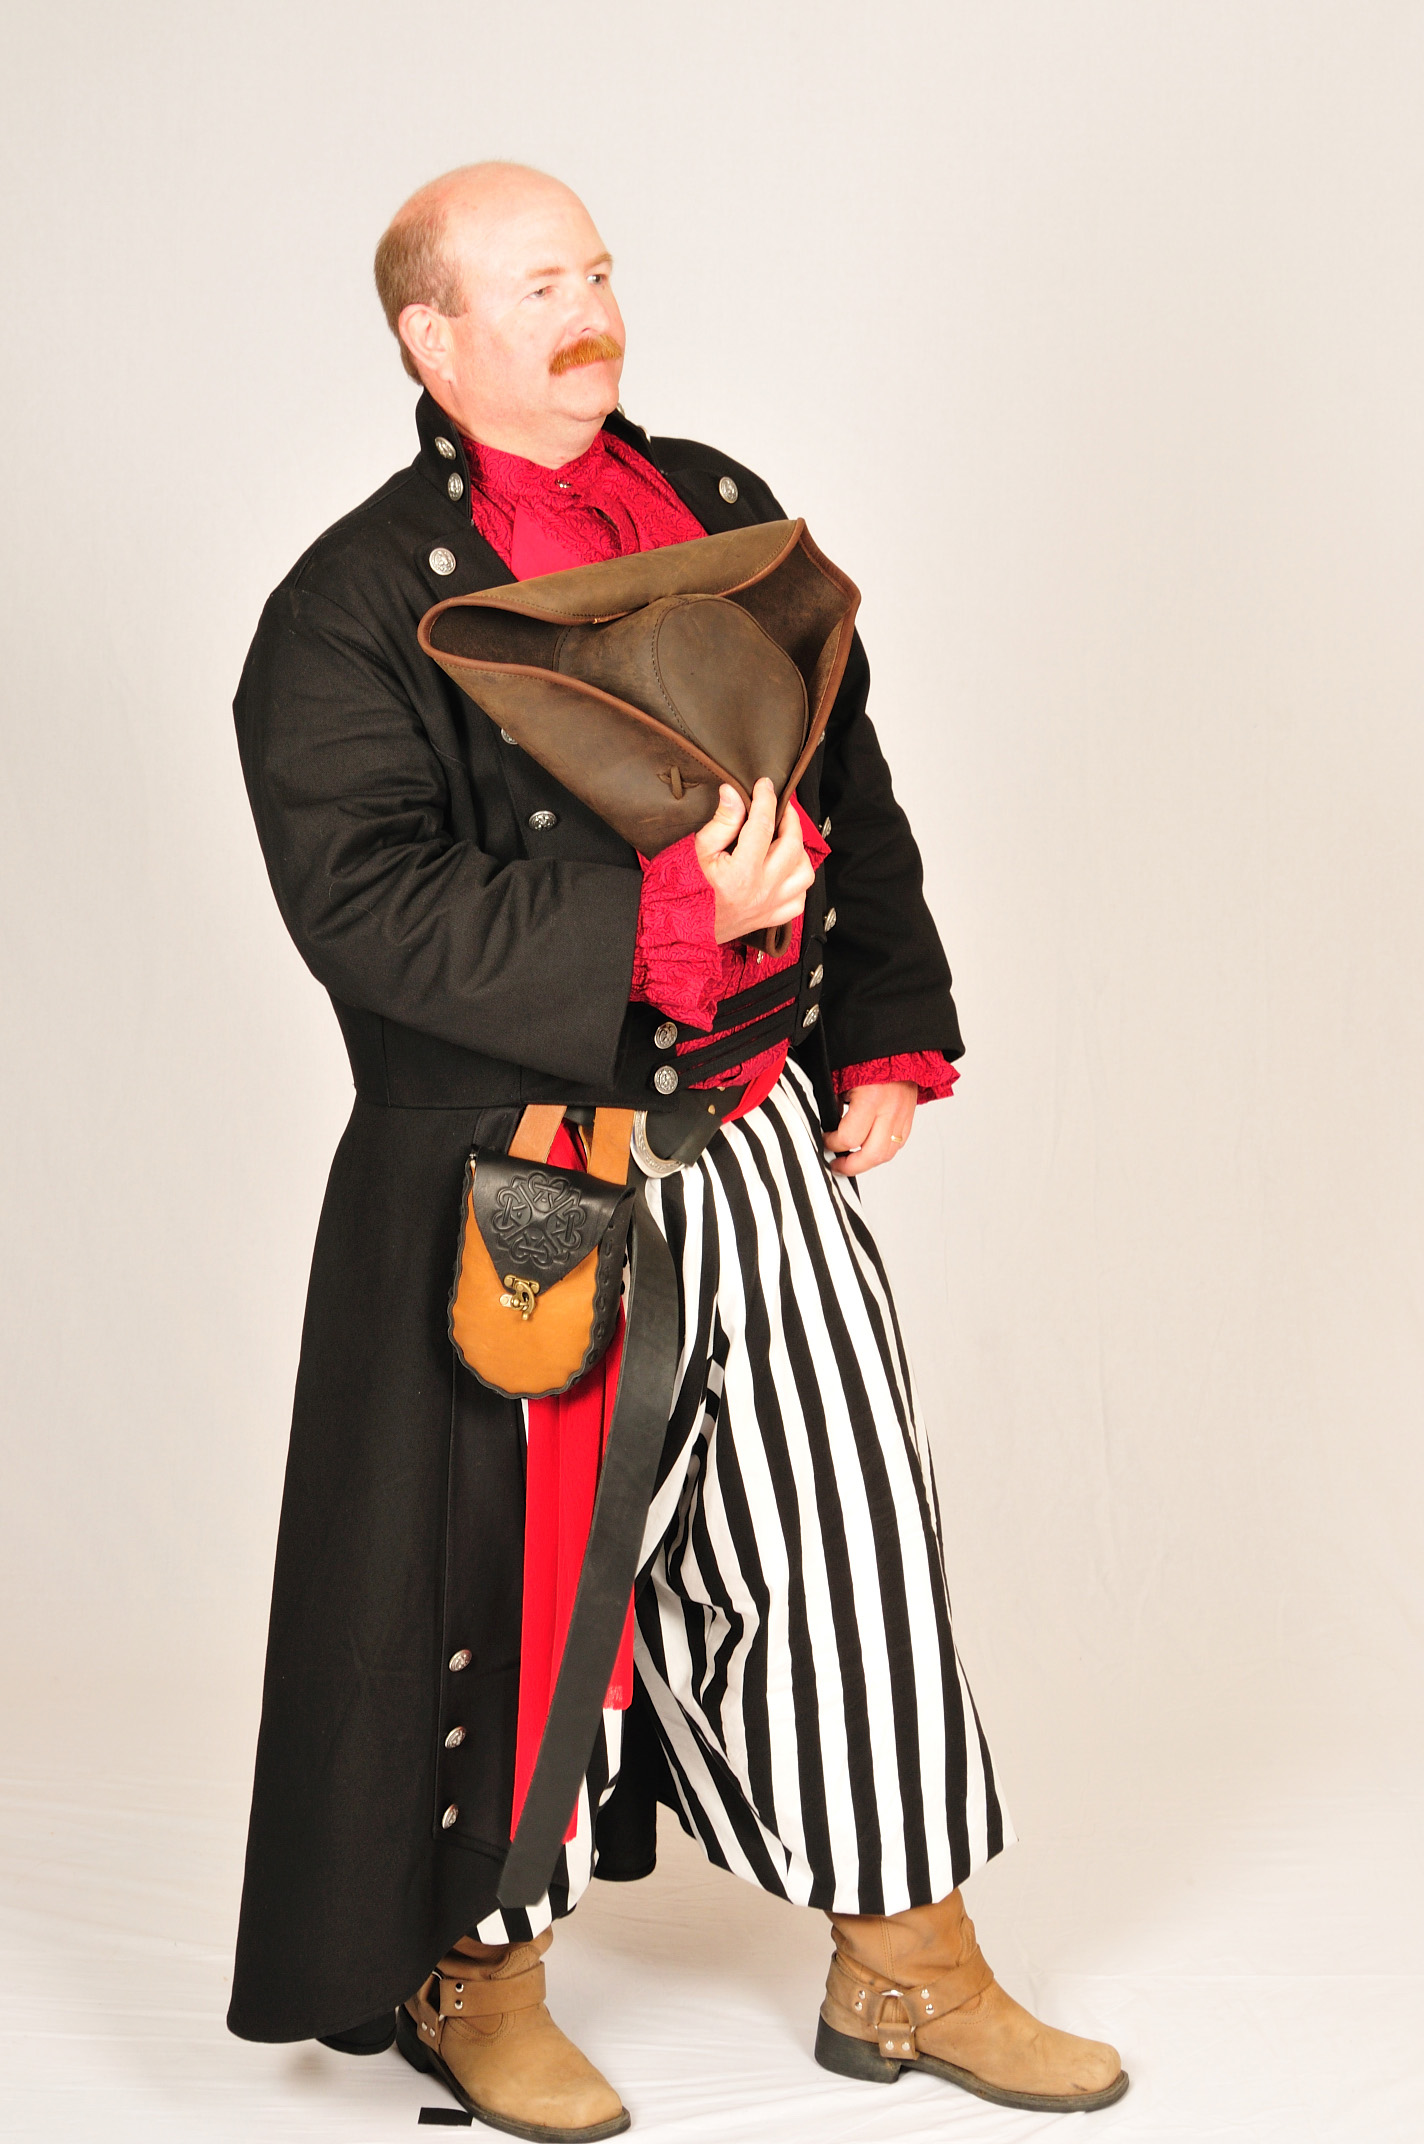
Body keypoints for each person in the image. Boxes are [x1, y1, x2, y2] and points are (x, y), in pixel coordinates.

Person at [228, 160, 1127, 2136]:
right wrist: (659, 922)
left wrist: (883, 1019)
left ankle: (913, 1960)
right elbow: (364, 906)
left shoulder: (716, 507)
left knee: (847, 1531)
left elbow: (841, 775)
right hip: (526, 1174)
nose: (590, 309)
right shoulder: (349, 604)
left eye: (597, 271)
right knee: (526, 1583)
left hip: (758, 1120)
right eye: (537, 284)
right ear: (432, 336)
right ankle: (480, 1973)